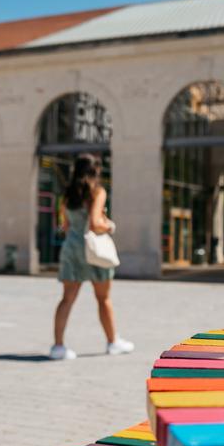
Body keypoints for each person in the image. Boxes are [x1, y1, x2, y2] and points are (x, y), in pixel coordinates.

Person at [49, 154, 134, 360]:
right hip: (94, 250)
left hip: (71, 249)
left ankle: (58, 347)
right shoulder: (97, 192)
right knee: (103, 299)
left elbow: (66, 227)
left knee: (67, 299)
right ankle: (113, 342)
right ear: (94, 173)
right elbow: (96, 223)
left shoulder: (67, 196)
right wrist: (110, 225)